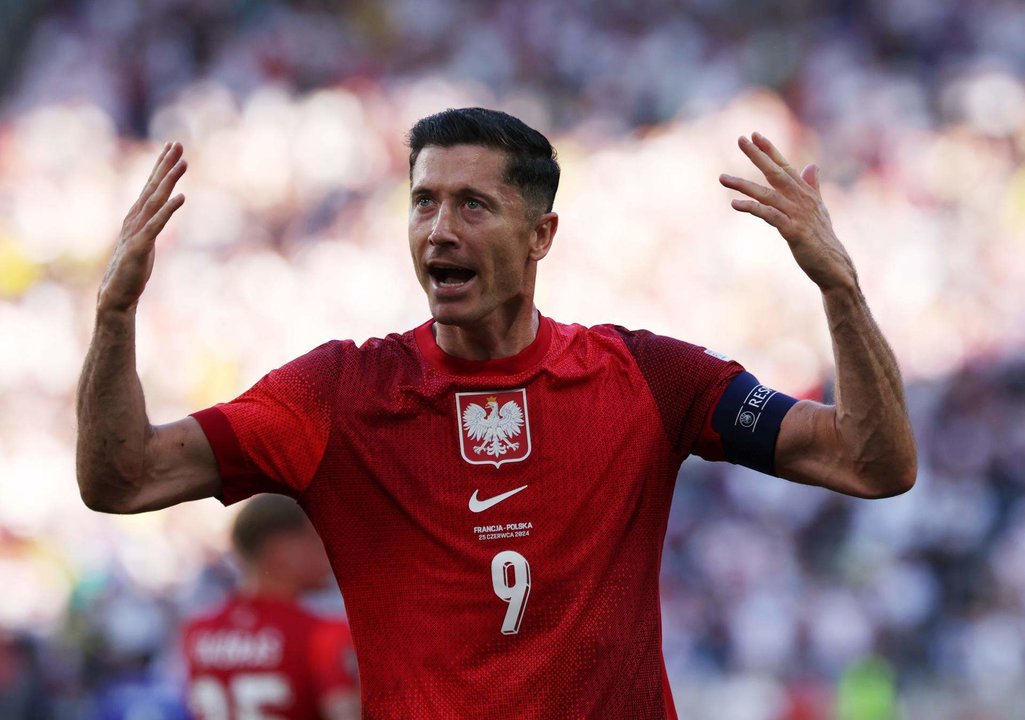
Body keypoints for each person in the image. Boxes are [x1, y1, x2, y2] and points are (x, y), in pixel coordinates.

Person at [76, 107, 917, 718]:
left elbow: (871, 462)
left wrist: (839, 288)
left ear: (540, 235)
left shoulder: (646, 377)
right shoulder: (338, 393)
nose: (439, 230)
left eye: (472, 205)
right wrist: (113, 317)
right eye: (423, 202)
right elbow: (122, 478)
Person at [181, 493, 359, 720]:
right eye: (316, 539)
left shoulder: (198, 629)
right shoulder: (322, 633)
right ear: (280, 551)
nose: (328, 551)